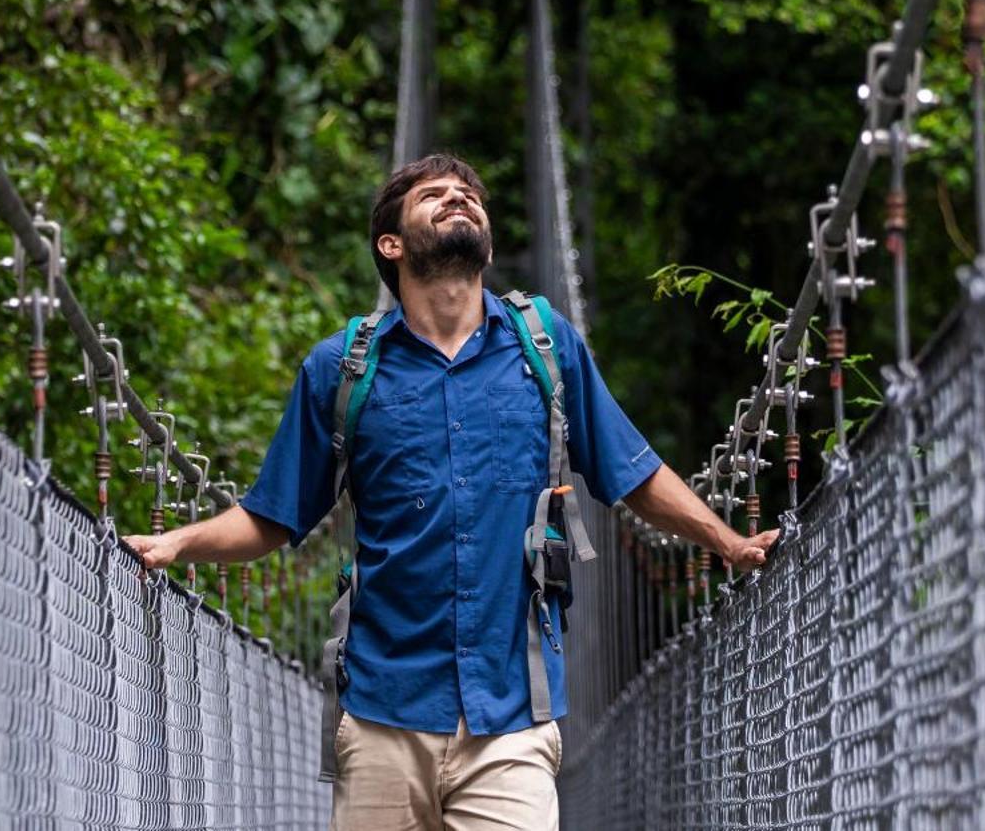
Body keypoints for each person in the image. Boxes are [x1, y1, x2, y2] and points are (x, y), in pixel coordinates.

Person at [124, 153, 778, 830]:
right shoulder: (342, 369)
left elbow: (630, 470)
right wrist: (181, 542)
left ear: (488, 242)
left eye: (468, 195)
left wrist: (725, 541)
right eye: (434, 195)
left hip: (511, 720)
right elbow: (274, 516)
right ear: (392, 242)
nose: (457, 199)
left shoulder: (545, 345)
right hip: (383, 713)